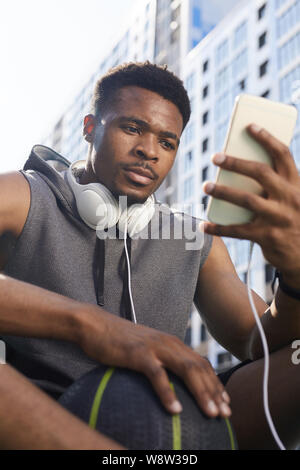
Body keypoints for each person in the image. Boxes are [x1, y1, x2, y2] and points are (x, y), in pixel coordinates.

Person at [0, 61, 299, 450]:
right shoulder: (24, 195)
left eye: (167, 142)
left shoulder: (194, 238)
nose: (149, 151)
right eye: (132, 128)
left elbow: (259, 340)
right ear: (90, 128)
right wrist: (89, 324)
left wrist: (294, 276)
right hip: (33, 416)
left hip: (173, 422)